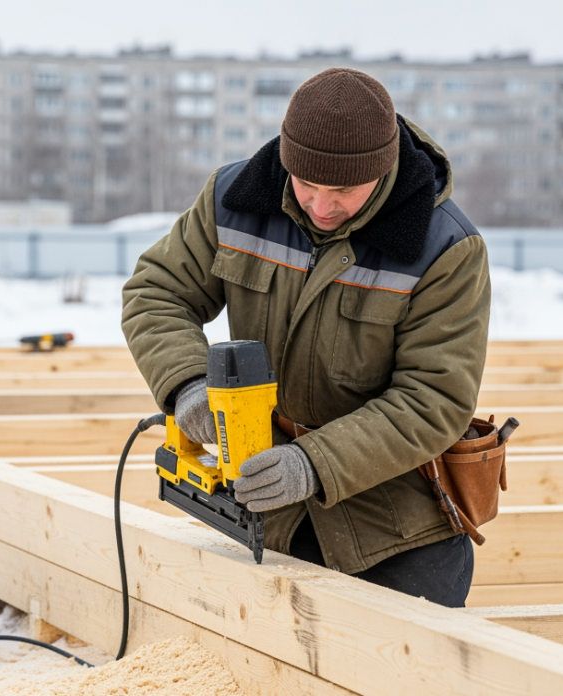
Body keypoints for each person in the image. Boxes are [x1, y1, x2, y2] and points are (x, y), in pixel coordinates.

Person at [121, 68, 490, 607]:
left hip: (393, 525)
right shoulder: (235, 198)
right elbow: (156, 292)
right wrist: (188, 384)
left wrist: (315, 463)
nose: (320, 206)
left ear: (383, 169)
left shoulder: (445, 247)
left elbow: (434, 399)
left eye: (343, 190)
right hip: (263, 506)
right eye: (306, 184)